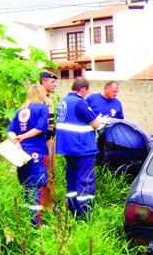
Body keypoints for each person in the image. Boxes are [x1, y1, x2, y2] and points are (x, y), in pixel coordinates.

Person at [56, 77, 109, 220]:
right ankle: (85, 215)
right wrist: (101, 121)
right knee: (85, 180)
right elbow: (95, 124)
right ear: (84, 89)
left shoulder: (63, 102)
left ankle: (72, 211)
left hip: (67, 148)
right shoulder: (80, 103)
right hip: (82, 148)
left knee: (72, 180)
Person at [8, 84, 49, 227]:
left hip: (20, 153)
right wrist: (23, 136)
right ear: (41, 93)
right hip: (37, 151)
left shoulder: (20, 110)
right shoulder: (42, 108)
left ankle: (25, 221)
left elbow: (10, 130)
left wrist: (16, 140)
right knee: (36, 186)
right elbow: (40, 128)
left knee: (25, 186)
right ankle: (35, 225)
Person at [39, 71, 57, 209]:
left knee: (52, 172)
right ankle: (44, 207)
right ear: (43, 82)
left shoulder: (49, 98)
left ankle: (49, 205)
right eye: (52, 82)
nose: (55, 85)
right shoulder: (38, 98)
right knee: (45, 172)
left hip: (51, 140)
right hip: (42, 141)